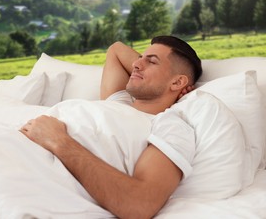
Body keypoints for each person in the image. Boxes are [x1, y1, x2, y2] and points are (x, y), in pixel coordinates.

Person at [20, 35, 202, 218]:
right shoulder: (119, 102)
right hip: (16, 149)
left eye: (152, 61)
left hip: (33, 177)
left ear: (179, 82)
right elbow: (116, 49)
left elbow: (140, 204)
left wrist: (58, 141)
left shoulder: (169, 126)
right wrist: (157, 72)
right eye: (140, 58)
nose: (136, 65)